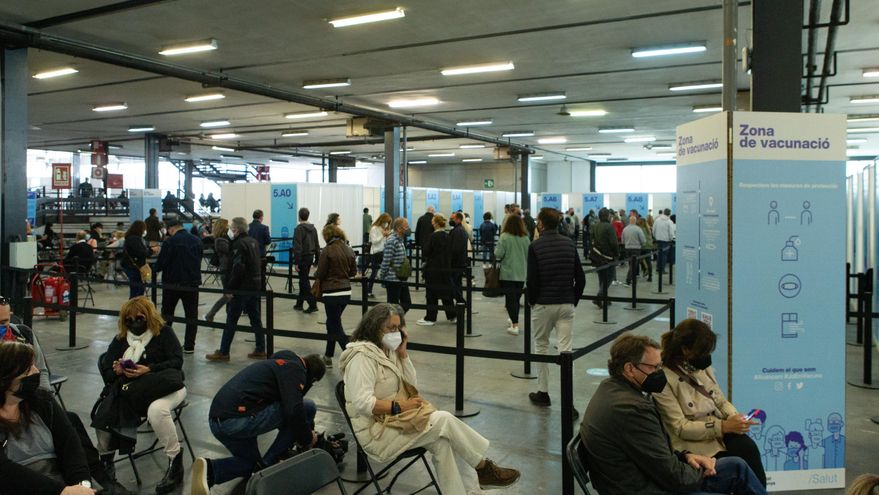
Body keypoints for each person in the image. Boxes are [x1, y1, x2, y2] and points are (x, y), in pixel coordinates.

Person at [339, 304, 521, 495]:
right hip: (376, 434)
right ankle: (483, 467)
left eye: (398, 328)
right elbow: (363, 404)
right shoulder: (362, 358)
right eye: (391, 328)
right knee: (442, 419)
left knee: (441, 443)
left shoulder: (388, 350)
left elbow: (411, 386)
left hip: (396, 423)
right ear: (374, 327)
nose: (396, 332)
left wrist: (403, 355)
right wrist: (401, 406)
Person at [580, 333, 766, 495]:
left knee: (737, 466)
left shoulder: (611, 389)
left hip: (646, 479)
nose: (659, 372)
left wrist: (686, 457)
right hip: (648, 489)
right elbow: (673, 477)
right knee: (736, 471)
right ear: (629, 369)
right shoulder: (631, 409)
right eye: (654, 367)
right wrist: (700, 471)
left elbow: (653, 453)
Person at [191, 351, 325, 495]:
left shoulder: (282, 361)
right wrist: (308, 438)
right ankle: (269, 464)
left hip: (218, 421)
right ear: (313, 377)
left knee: (251, 464)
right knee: (307, 407)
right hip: (237, 419)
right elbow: (294, 411)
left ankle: (211, 471)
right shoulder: (296, 370)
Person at [653, 319, 767, 486]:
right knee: (735, 466)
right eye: (702, 352)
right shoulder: (664, 379)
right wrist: (723, 427)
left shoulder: (702, 368)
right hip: (692, 443)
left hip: (719, 433)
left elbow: (720, 401)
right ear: (685, 350)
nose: (706, 357)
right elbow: (680, 427)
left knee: (747, 448)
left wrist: (735, 418)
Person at [92, 297, 187, 495]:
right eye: (129, 319)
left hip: (166, 388)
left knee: (157, 411)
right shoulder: (120, 340)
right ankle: (107, 461)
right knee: (105, 412)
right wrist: (118, 371)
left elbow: (177, 362)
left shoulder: (164, 333)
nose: (134, 322)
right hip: (134, 392)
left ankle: (175, 460)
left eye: (139, 318)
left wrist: (149, 369)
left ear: (149, 316)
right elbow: (108, 374)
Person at [0, 341, 96, 495]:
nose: (36, 371)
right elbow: (5, 472)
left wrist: (82, 485)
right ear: (7, 378)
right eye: (28, 370)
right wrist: (61, 491)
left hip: (61, 481)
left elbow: (70, 445)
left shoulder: (42, 400)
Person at [526, 208, 586, 409]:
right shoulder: (569, 244)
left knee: (541, 346)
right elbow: (581, 278)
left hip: (543, 304)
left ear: (541, 224)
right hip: (566, 304)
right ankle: (569, 403)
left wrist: (532, 301)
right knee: (566, 352)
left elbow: (532, 280)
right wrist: (572, 300)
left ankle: (543, 392)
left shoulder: (535, 246)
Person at [206, 217, 266, 361]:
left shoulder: (238, 244)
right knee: (255, 318)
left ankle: (224, 351)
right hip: (254, 285)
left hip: (241, 287)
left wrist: (230, 288)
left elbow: (238, 268)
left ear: (236, 229)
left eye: (232, 227)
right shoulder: (253, 242)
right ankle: (260, 348)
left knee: (231, 319)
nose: (231, 229)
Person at [154, 218, 203, 354]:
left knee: (167, 315)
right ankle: (189, 346)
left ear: (171, 229)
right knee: (192, 315)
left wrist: (154, 268)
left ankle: (163, 344)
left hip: (172, 283)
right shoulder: (196, 240)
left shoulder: (170, 241)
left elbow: (162, 262)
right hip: (192, 283)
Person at [314, 223, 357, 368]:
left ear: (326, 236)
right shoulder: (349, 249)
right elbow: (353, 272)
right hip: (346, 292)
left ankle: (350, 355)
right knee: (332, 322)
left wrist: (317, 274)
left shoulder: (327, 251)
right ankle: (328, 355)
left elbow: (320, 273)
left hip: (331, 293)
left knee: (335, 325)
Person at [416, 214, 455, 326]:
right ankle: (452, 316)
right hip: (445, 268)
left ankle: (430, 318)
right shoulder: (447, 236)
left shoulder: (432, 236)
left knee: (431, 295)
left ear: (436, 223)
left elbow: (426, 251)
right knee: (446, 294)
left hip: (433, 269)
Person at [494, 214, 530, 335]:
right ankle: (512, 317)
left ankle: (515, 325)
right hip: (521, 274)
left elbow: (498, 254)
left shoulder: (504, 237)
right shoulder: (525, 238)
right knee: (516, 298)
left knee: (510, 300)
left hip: (507, 273)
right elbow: (529, 255)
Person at [380, 217, 412, 313]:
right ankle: (392, 325)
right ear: (399, 228)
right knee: (392, 306)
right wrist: (382, 277)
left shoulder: (400, 240)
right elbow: (386, 261)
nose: (408, 229)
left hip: (401, 278)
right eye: (406, 227)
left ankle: (396, 322)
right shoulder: (392, 241)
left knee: (406, 303)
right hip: (393, 279)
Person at [204, 218, 233, 322]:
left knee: (230, 295)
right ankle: (210, 314)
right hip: (226, 269)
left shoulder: (225, 238)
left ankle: (229, 315)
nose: (229, 226)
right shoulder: (220, 240)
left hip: (229, 269)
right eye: (227, 225)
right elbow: (230, 251)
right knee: (228, 295)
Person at [292, 208, 320, 313]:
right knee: (303, 280)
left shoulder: (298, 229)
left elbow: (297, 247)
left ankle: (312, 304)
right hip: (310, 257)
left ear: (299, 216)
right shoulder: (313, 228)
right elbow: (317, 245)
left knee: (304, 281)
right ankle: (299, 304)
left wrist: (297, 262)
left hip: (303, 258)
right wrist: (317, 259)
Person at [591, 208, 619, 308]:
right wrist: (617, 255)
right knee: (610, 277)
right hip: (608, 256)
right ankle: (599, 297)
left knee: (602, 277)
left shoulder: (595, 226)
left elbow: (592, 238)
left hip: (597, 255)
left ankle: (604, 298)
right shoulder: (609, 227)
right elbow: (614, 243)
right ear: (607, 216)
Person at [120, 221, 154, 299]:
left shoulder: (132, 238)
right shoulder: (134, 239)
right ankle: (134, 307)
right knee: (136, 290)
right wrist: (151, 251)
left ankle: (137, 306)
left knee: (138, 289)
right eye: (144, 229)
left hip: (132, 265)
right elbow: (141, 252)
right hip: (133, 266)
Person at [366, 213, 392, 297]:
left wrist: (387, 236)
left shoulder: (383, 228)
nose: (387, 224)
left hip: (383, 251)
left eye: (388, 222)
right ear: (382, 220)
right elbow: (374, 241)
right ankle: (368, 291)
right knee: (374, 272)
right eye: (386, 222)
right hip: (375, 253)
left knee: (388, 269)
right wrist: (383, 235)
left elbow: (384, 242)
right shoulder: (374, 228)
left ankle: (386, 285)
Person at [448, 212, 470, 303]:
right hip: (459, 262)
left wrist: (450, 260)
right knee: (457, 284)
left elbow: (455, 249)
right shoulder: (459, 230)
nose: (451, 220)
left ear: (458, 219)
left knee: (453, 284)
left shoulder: (458, 231)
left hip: (456, 263)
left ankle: (461, 301)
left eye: (452, 219)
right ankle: (460, 303)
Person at [621, 215, 646, 286]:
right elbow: (643, 240)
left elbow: (622, 241)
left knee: (630, 265)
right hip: (636, 249)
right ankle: (628, 280)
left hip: (627, 249)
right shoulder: (638, 229)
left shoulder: (625, 229)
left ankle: (632, 279)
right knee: (633, 266)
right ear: (635, 221)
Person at [653, 208, 676, 274]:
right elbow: (671, 232)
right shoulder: (669, 221)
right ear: (669, 213)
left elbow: (653, 230)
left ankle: (658, 268)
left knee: (659, 254)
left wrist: (655, 237)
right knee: (664, 255)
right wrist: (671, 239)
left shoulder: (657, 220)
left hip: (658, 240)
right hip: (666, 241)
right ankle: (662, 269)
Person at [637, 217, 654, 282]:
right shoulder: (648, 229)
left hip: (642, 247)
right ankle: (650, 277)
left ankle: (644, 270)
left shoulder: (639, 229)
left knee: (639, 261)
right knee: (648, 262)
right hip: (648, 247)